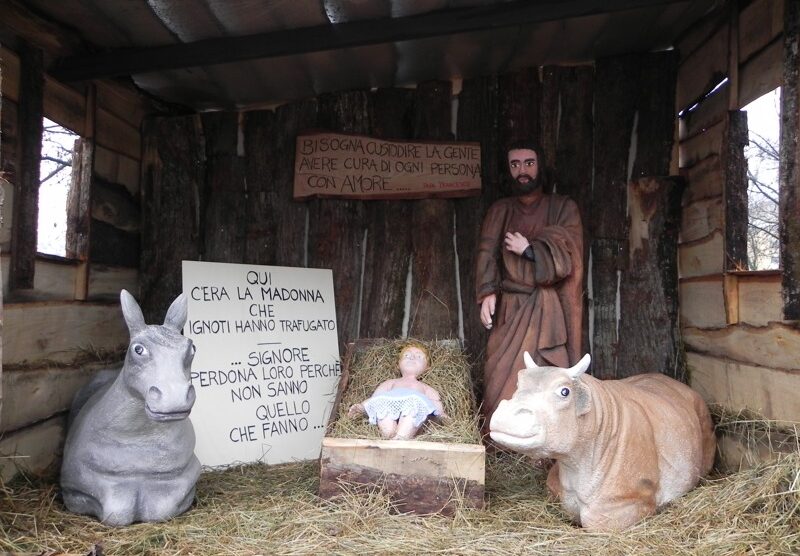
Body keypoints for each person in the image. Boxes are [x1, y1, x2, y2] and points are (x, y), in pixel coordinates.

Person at [476, 139, 584, 434]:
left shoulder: (563, 208)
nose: (522, 171)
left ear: (541, 166)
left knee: (549, 375)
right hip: (510, 307)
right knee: (498, 378)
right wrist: (486, 292)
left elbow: (569, 254)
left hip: (548, 310)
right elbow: (487, 252)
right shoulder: (500, 210)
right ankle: (502, 443)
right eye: (515, 164)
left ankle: (545, 444)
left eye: (528, 163)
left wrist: (530, 250)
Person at [348, 344, 446, 440]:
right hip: (389, 406)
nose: (412, 358)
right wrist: (362, 407)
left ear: (427, 367)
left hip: (413, 408)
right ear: (398, 364)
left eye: (419, 357)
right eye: (407, 355)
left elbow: (435, 403)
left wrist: (442, 415)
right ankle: (389, 434)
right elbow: (376, 399)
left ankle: (401, 437)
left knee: (414, 406)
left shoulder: (425, 388)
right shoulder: (390, 383)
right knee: (382, 404)